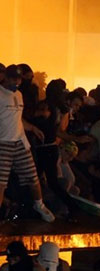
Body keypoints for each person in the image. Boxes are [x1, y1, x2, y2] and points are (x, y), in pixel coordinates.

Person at [0, 65, 55, 222]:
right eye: (13, 78)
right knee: (1, 183)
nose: (16, 81)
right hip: (3, 142)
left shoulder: (18, 94)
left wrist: (32, 128)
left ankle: (39, 205)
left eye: (18, 78)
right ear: (6, 77)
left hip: (20, 141)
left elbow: (18, 118)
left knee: (32, 176)